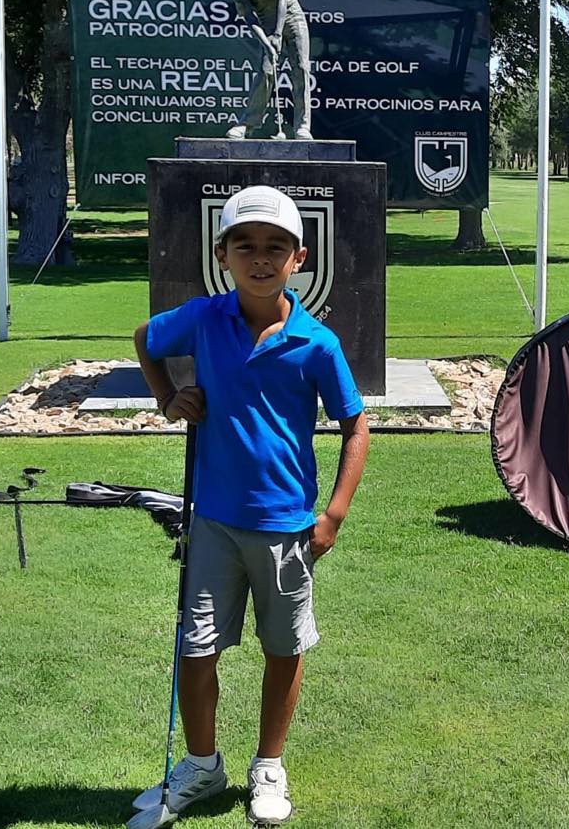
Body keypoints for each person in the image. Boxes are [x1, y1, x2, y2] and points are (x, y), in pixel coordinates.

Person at [131, 185, 369, 826]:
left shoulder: (316, 343)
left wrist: (334, 513)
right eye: (246, 246)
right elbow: (145, 338)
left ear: (299, 258)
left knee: (283, 649)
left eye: (275, 247)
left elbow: (355, 425)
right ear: (223, 255)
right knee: (196, 648)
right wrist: (167, 398)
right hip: (212, 520)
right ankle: (202, 766)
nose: (260, 258)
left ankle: (268, 765)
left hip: (288, 525)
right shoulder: (204, 318)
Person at [213, 0, 313, 140]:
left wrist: (277, 33)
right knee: (266, 71)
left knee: (301, 68)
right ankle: (247, 123)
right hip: (266, 24)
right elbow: (249, 17)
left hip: (292, 17)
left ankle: (302, 127)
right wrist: (267, 42)